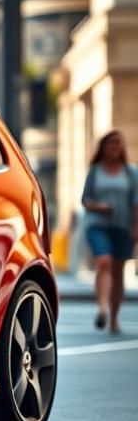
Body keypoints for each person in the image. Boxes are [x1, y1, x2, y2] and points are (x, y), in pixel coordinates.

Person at [81, 129, 138, 332]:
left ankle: (114, 318)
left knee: (118, 271)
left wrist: (136, 228)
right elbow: (85, 200)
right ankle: (102, 309)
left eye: (118, 143)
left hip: (123, 226)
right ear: (103, 147)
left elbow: (136, 202)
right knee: (104, 262)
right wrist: (98, 207)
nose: (115, 146)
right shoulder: (95, 171)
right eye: (111, 143)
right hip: (97, 225)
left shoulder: (131, 172)